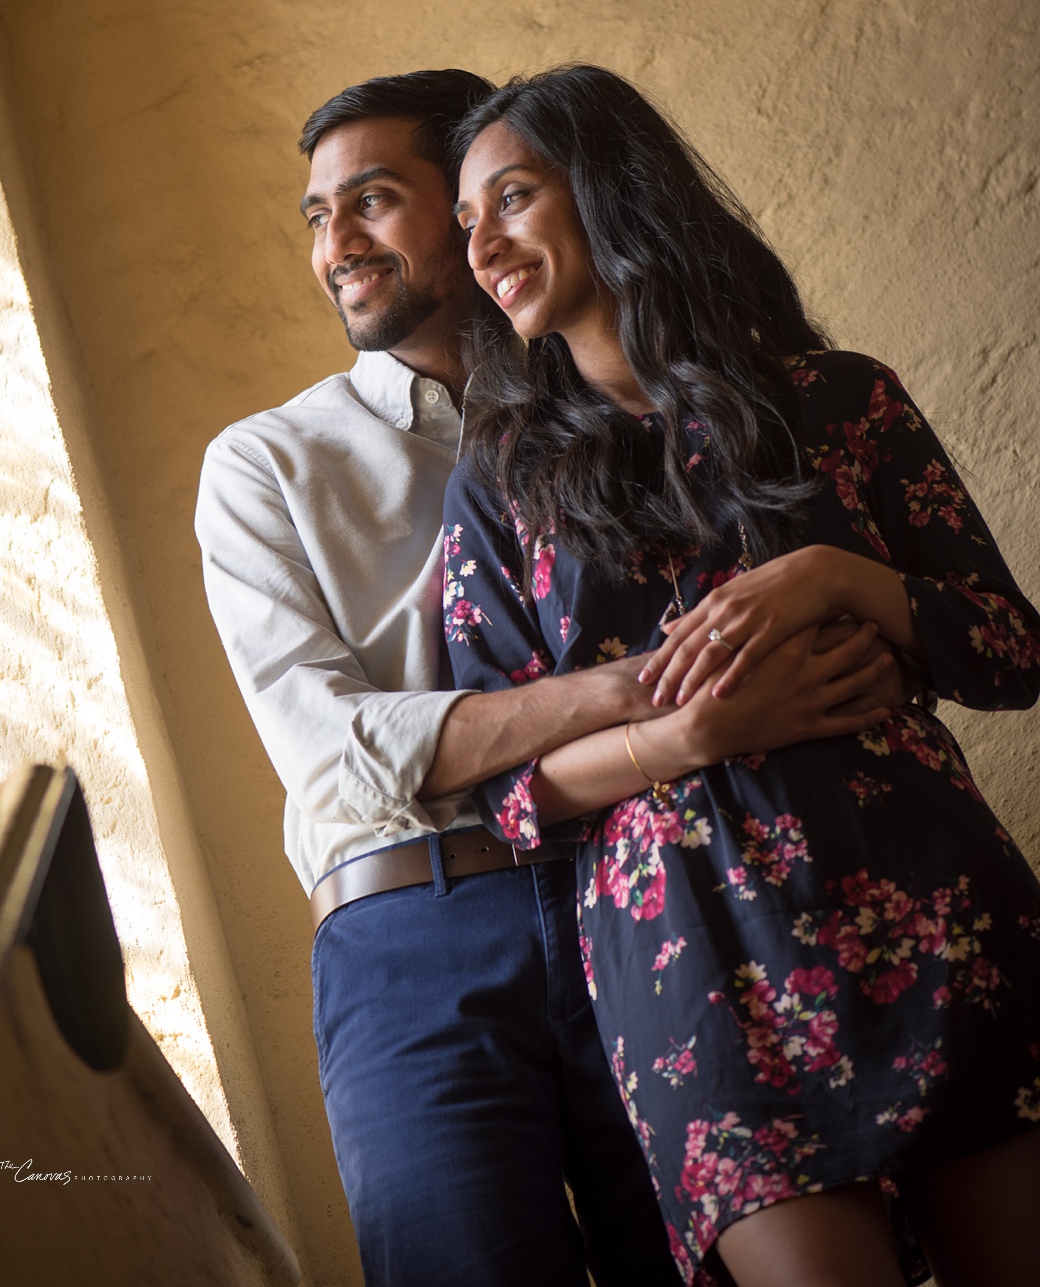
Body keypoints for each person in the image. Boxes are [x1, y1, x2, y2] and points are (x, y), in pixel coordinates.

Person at [196, 68, 908, 1287]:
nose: (337, 244)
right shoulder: (268, 463)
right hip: (416, 924)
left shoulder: (648, 414)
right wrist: (660, 692)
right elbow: (331, 753)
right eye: (318, 216)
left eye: (373, 199)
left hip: (657, 889)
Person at [443, 63, 1040, 1287]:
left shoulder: (840, 399)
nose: (483, 241)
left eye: (509, 197)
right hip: (699, 965)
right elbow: (503, 789)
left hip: (933, 906)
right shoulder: (502, 483)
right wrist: (686, 738)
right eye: (465, 223)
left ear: (608, 190)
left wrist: (833, 573)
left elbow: (1010, 649)